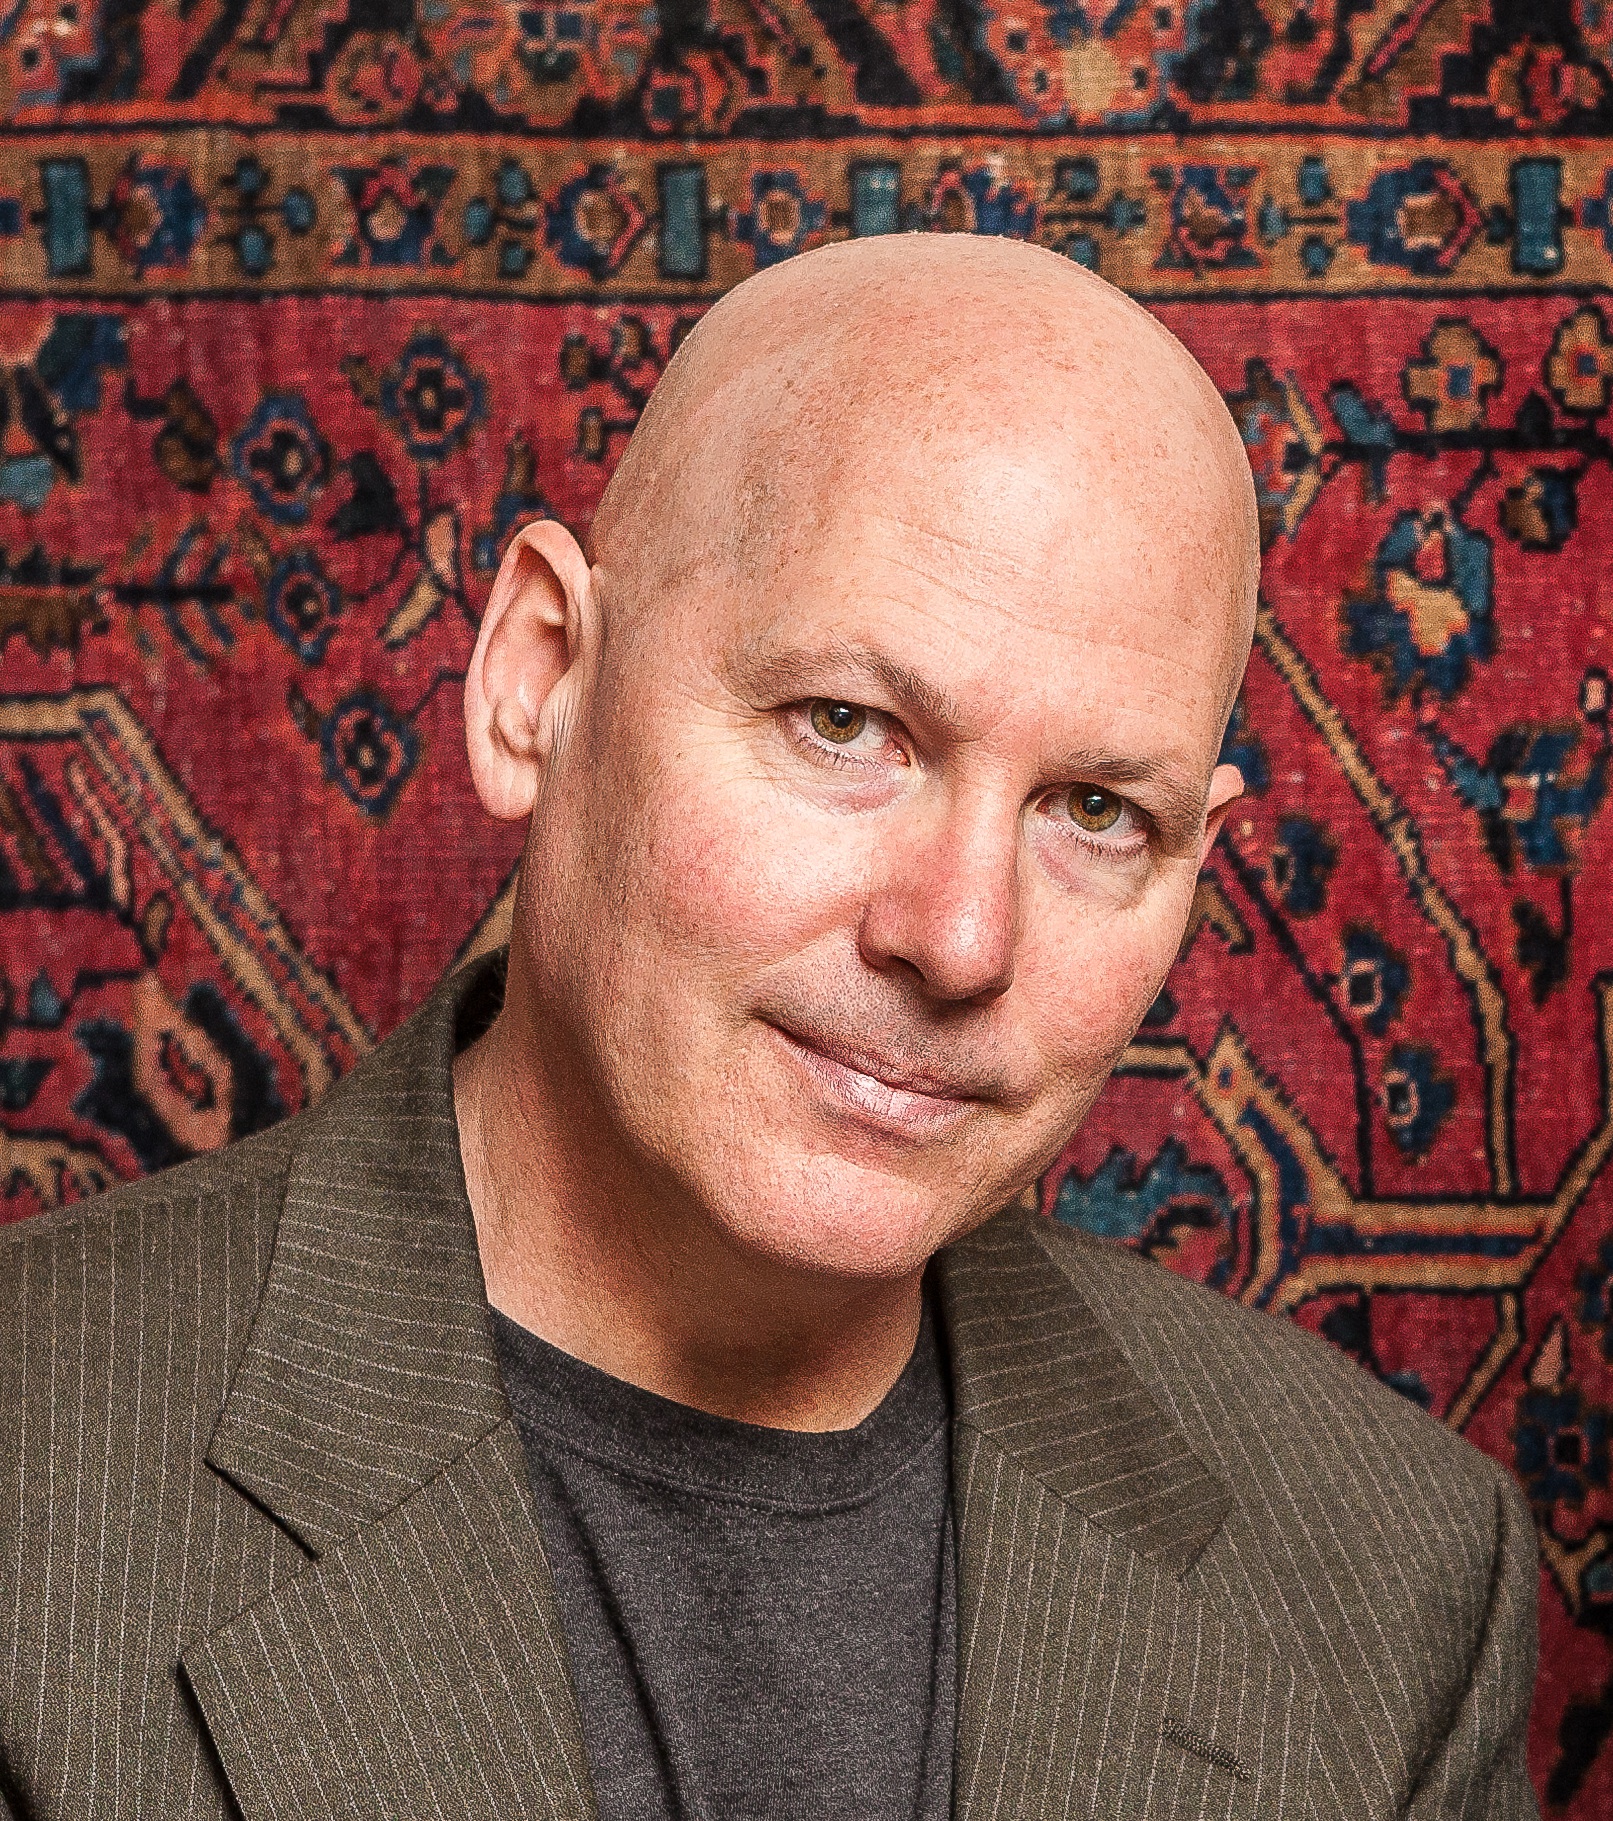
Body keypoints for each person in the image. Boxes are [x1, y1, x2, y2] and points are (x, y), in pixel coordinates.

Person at [0, 235, 1536, 1821]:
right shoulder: (29, 1489)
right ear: (537, 680)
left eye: (1093, 810)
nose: (958, 937)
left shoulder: (1394, 1583)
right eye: (845, 724)